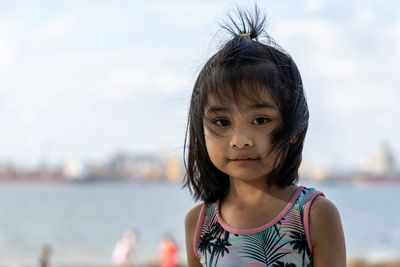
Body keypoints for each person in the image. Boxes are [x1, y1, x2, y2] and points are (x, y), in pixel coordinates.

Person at [183, 6, 346, 267]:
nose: (240, 140)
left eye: (260, 120)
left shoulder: (313, 215)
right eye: (222, 122)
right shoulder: (199, 223)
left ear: (293, 129)